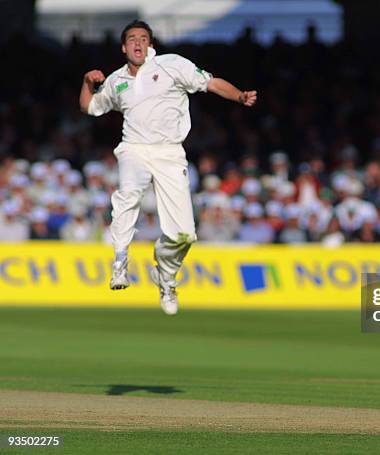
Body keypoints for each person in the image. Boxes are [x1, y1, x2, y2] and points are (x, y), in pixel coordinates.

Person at [79, 20, 257, 315]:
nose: (138, 43)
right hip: (134, 148)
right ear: (124, 47)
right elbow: (89, 107)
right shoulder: (116, 80)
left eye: (143, 38)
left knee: (184, 234)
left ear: (150, 44)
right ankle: (120, 260)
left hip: (169, 153)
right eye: (132, 39)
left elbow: (210, 83)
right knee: (129, 193)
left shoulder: (172, 65)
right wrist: (87, 83)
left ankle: (166, 276)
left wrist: (238, 95)